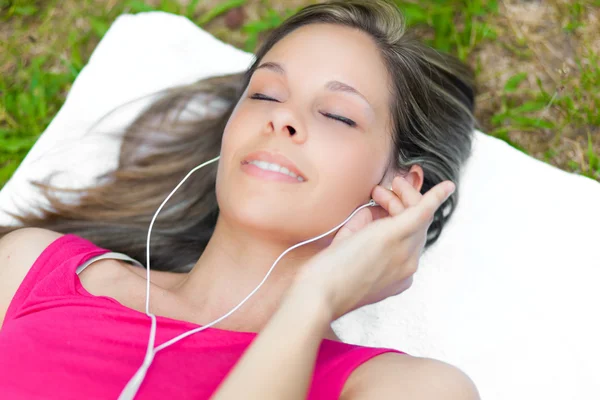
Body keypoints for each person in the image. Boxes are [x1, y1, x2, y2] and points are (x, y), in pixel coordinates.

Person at [0, 0, 480, 398]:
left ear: (400, 190)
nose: (282, 119)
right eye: (266, 95)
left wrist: (315, 299)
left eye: (337, 114)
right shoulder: (31, 268)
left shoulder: (407, 388)